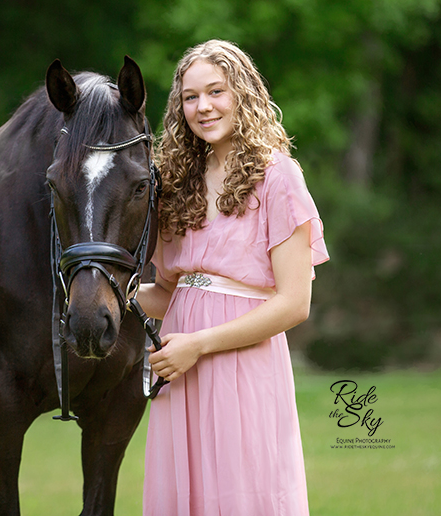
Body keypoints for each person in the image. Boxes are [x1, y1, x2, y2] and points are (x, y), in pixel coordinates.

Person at [135, 39, 329, 516]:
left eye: (216, 91)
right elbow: (170, 295)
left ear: (242, 93)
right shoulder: (175, 183)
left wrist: (198, 344)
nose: (203, 107)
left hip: (241, 368)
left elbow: (293, 304)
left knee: (244, 496)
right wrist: (113, 297)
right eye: (190, 97)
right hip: (178, 370)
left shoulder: (277, 176)